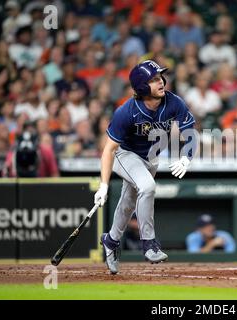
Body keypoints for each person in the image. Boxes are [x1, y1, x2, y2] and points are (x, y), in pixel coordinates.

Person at [94, 60, 196, 274]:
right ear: (141, 87)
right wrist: (103, 185)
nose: (160, 82)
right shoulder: (127, 111)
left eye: (160, 78)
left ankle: (111, 241)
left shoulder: (173, 102)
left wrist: (186, 157)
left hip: (151, 158)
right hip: (125, 154)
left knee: (129, 202)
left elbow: (190, 132)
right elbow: (108, 150)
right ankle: (149, 243)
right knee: (148, 187)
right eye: (153, 80)